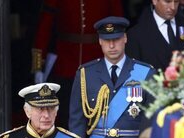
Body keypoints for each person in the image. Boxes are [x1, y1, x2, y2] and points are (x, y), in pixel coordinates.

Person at [69, 16, 156, 138]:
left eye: (116, 39)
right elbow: (76, 123)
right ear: (100, 41)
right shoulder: (86, 74)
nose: (112, 45)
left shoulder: (145, 72)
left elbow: (152, 119)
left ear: (125, 38)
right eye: (107, 41)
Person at [31, 0, 124, 129]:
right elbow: (44, 26)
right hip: (66, 62)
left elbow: (118, 24)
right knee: (65, 116)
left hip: (99, 60)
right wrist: (38, 65)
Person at [126, 0, 184, 71]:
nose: (173, 7)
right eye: (167, 2)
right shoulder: (136, 34)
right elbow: (135, 71)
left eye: (176, 2)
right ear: (155, 1)